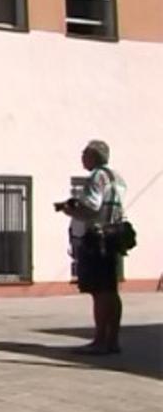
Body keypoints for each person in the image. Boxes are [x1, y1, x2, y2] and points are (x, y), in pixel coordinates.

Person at [57, 140, 126, 355]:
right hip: (114, 235)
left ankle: (100, 340)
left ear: (94, 156)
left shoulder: (97, 176)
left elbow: (92, 206)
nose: (82, 157)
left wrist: (70, 209)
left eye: (84, 153)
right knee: (112, 291)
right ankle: (112, 339)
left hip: (97, 237)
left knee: (99, 292)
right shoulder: (118, 178)